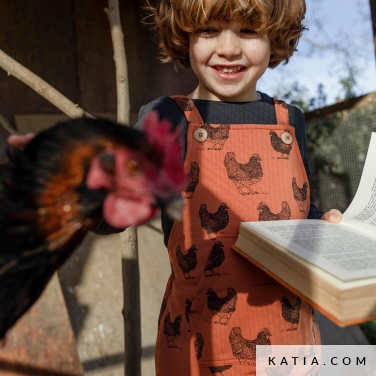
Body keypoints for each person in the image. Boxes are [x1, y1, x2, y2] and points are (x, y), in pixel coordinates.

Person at [8, 0, 342, 374]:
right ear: (185, 36)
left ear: (275, 36)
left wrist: (322, 222)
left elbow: (299, 206)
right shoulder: (169, 117)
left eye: (248, 31)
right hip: (202, 339)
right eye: (209, 30)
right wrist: (71, 177)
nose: (229, 48)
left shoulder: (291, 119)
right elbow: (112, 215)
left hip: (292, 337)